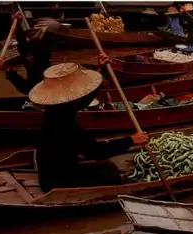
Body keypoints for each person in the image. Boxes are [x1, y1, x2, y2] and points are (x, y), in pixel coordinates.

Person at [27, 62, 149, 192]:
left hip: (53, 173)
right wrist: (131, 140)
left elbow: (88, 94)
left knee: (108, 168)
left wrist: (101, 70)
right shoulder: (65, 122)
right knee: (113, 179)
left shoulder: (54, 111)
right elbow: (96, 152)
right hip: (58, 181)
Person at [0, 12, 57, 96]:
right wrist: (18, 25)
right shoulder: (33, 54)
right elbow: (23, 45)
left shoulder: (40, 67)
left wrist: (8, 70)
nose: (28, 58)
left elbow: (26, 88)